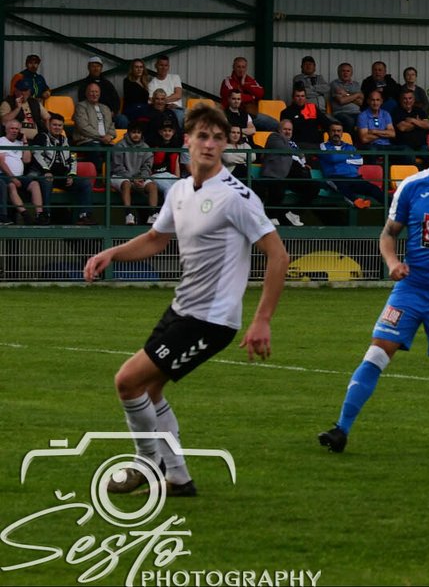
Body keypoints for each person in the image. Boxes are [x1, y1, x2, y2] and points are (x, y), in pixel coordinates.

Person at [84, 102, 288, 499]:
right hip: (182, 309)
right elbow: (156, 239)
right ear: (187, 140)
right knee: (150, 391)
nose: (209, 144)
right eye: (202, 136)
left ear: (226, 144)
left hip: (211, 320)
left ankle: (146, 464)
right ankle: (178, 478)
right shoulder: (179, 190)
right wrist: (112, 253)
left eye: (218, 138)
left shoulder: (237, 197)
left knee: (127, 381)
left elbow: (278, 256)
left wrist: (262, 319)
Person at [320, 119, 429, 456]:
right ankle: (341, 429)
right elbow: (388, 234)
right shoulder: (412, 186)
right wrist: (392, 262)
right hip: (412, 288)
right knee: (376, 353)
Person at [36, 113, 92, 224]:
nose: (57, 127)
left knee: (85, 183)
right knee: (47, 181)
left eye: (60, 125)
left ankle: (84, 216)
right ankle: (46, 215)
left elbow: (73, 158)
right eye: (54, 125)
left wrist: (71, 175)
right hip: (45, 174)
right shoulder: (41, 137)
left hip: (63, 176)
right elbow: (37, 155)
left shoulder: (66, 140)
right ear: (49, 125)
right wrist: (46, 171)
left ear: (63, 127)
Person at [259, 118, 312, 227]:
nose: (288, 132)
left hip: (291, 174)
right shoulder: (274, 137)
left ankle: (294, 213)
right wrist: (300, 154)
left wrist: (303, 164)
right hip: (276, 174)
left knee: (313, 187)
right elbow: (284, 149)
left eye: (290, 130)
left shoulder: (292, 144)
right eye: (285, 129)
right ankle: (271, 217)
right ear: (279, 130)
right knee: (278, 188)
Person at [109, 124, 160, 225]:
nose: (136, 135)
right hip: (119, 176)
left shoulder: (146, 147)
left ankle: (152, 214)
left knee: (152, 186)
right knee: (126, 184)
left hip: (139, 178)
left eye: (138, 133)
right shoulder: (119, 146)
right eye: (133, 132)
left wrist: (141, 178)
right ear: (128, 133)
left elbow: (147, 167)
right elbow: (118, 167)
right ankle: (128, 214)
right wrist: (132, 179)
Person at [0, 119, 45, 224]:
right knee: (11, 185)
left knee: (34, 184)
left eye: (17, 129)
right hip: (4, 175)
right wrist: (13, 178)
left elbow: (27, 160)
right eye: (12, 128)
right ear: (6, 129)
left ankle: (40, 214)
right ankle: (25, 214)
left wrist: (25, 142)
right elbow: (1, 163)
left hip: (20, 176)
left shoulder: (20, 143)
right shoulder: (1, 141)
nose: (14, 131)